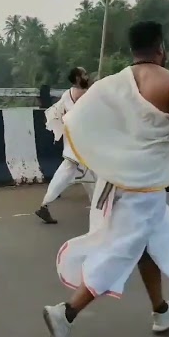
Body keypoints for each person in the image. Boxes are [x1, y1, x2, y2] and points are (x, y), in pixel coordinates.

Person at [42, 21, 169, 337]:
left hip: (114, 179)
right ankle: (65, 312)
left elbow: (74, 121)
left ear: (132, 50)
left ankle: (161, 311)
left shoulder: (109, 84)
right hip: (143, 186)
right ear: (161, 48)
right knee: (122, 251)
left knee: (146, 243)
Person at [35, 66, 97, 225]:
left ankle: (99, 209)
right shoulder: (86, 94)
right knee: (75, 173)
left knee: (88, 174)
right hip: (80, 144)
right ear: (77, 78)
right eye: (84, 74)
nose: (87, 76)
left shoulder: (67, 94)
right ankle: (45, 205)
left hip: (74, 143)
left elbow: (58, 114)